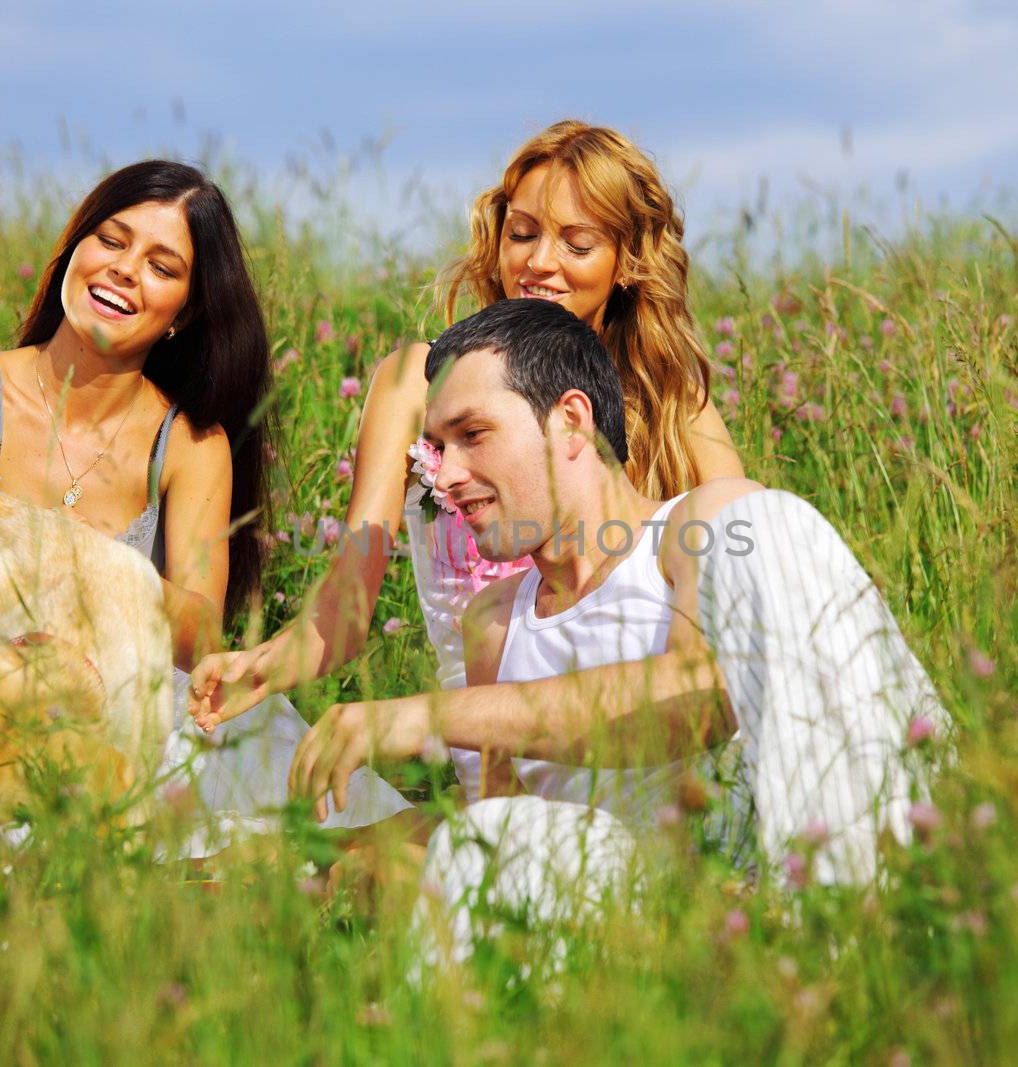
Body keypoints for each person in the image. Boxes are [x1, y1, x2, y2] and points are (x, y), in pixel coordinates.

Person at [245, 299, 946, 965]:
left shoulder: (703, 527)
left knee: (772, 525)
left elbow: (702, 698)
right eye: (435, 447)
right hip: (635, 925)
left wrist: (425, 715)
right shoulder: (491, 624)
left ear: (572, 422)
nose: (446, 476)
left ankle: (849, 939)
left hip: (770, 878)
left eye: (472, 435)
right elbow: (500, 842)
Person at [0, 159, 409, 836]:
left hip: (133, 716)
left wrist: (82, 560)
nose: (125, 269)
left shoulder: (189, 442)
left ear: (187, 310)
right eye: (112, 240)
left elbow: (202, 633)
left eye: (162, 265)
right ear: (73, 247)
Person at [191, 122, 746, 794]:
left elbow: (741, 600)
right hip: (480, 746)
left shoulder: (671, 402)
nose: (541, 261)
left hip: (641, 736)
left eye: (578, 243)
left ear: (626, 262)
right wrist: (271, 658)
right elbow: (348, 598)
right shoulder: (417, 383)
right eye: (523, 233)